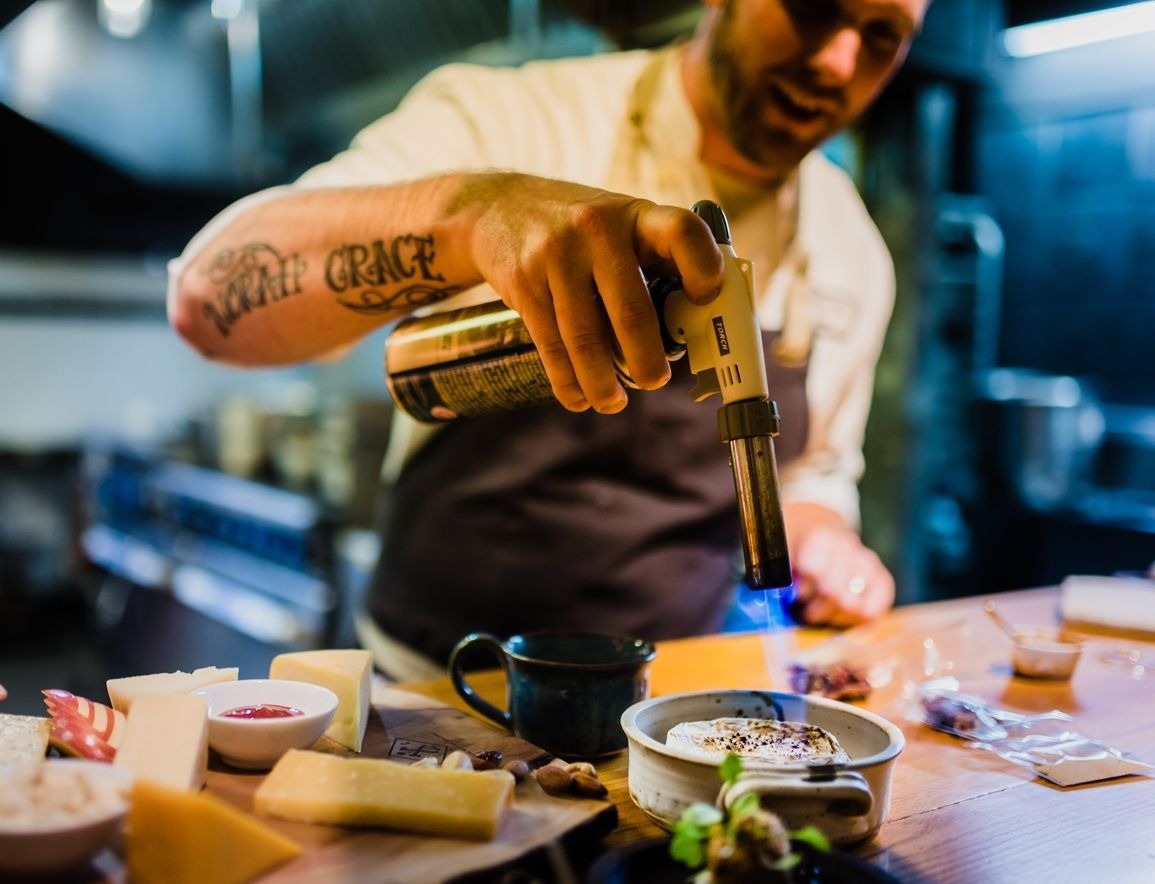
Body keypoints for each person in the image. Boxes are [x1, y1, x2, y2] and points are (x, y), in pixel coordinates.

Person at [168, 0, 930, 680]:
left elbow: (808, 475)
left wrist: (824, 539)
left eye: (881, 36)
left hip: (665, 702)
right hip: (441, 689)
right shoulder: (514, 122)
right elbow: (208, 302)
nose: (837, 59)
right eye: (811, 9)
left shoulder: (850, 250)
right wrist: (470, 217)